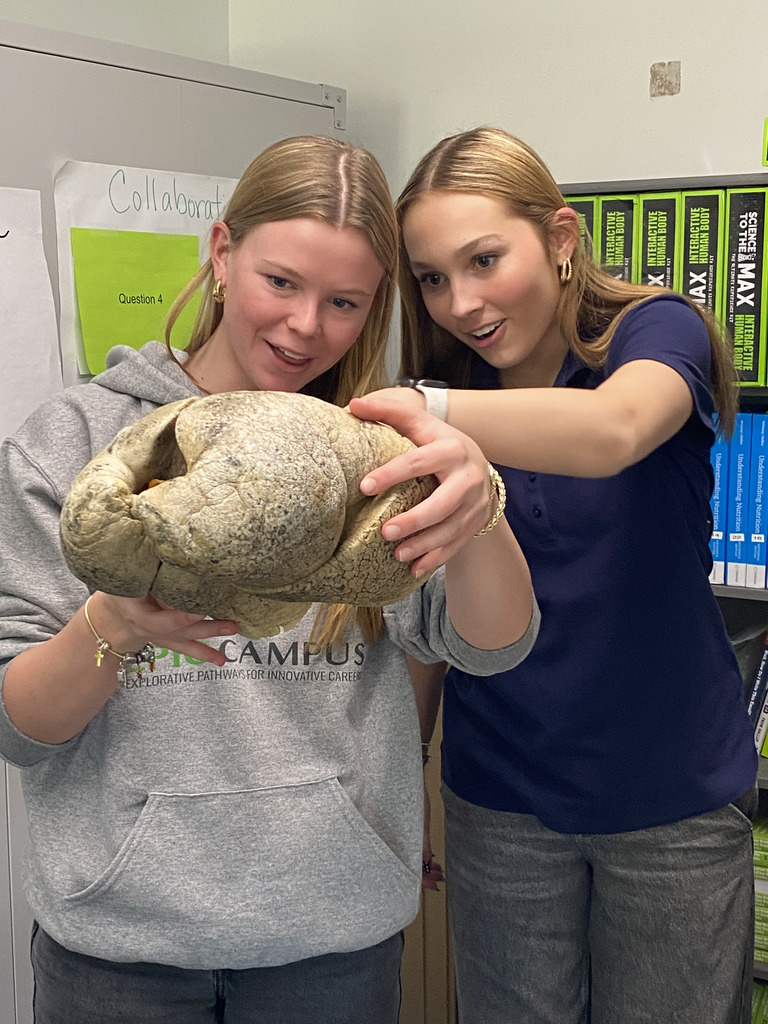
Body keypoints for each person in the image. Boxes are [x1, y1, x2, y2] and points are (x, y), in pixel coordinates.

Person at [0, 134, 540, 1024]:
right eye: (280, 282)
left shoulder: (378, 453)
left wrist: (479, 506)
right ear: (222, 252)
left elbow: (495, 645)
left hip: (329, 943)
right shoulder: (71, 442)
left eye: (343, 302)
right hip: (120, 953)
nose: (304, 326)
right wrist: (114, 625)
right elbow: (19, 729)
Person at [352, 126, 758, 1024]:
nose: (461, 301)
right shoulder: (452, 384)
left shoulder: (654, 332)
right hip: (502, 801)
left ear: (562, 239)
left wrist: (428, 413)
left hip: (671, 798)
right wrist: (412, 772)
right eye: (431, 278)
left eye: (485, 260)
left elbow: (614, 432)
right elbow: (430, 612)